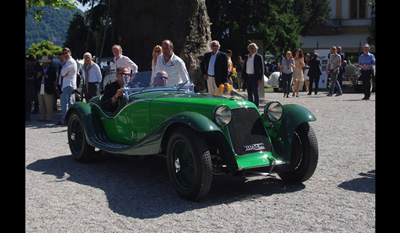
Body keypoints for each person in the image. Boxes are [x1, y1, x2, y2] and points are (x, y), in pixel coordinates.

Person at [57, 48, 77, 125]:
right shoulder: (67, 62)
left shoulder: (70, 62)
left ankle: (65, 119)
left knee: (65, 102)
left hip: (69, 83)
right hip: (66, 84)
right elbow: (63, 73)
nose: (65, 54)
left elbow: (62, 73)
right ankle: (68, 119)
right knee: (68, 102)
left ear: (70, 53)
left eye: (66, 52)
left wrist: (64, 72)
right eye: (64, 53)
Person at [241, 43, 264, 107]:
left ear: (255, 49)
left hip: (255, 77)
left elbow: (261, 68)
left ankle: (256, 106)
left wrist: (260, 78)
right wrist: (243, 77)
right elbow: (245, 67)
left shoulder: (258, 57)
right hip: (248, 77)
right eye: (250, 48)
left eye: (252, 48)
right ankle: (251, 106)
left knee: (255, 93)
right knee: (249, 93)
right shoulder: (247, 56)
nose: (251, 49)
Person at [36, 55, 57, 122]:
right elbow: (36, 79)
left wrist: (46, 76)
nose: (44, 64)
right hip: (40, 87)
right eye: (43, 63)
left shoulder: (51, 68)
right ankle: (42, 116)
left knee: (48, 103)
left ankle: (49, 117)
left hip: (48, 87)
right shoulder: (40, 69)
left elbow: (53, 78)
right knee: (41, 103)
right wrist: (38, 75)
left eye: (45, 63)